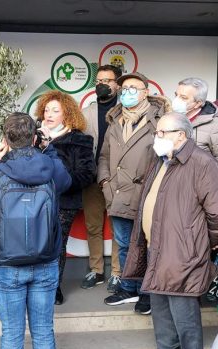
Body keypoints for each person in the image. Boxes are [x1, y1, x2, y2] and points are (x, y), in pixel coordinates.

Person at [0, 112, 71, 349]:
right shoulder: (49, 165)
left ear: (5, 139)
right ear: (36, 137)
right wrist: (49, 149)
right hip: (45, 260)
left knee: (13, 332)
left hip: (7, 263)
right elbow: (66, 183)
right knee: (44, 330)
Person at [132, 112, 218, 349]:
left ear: (181, 135)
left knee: (185, 326)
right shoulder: (160, 160)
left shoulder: (203, 163)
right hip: (156, 251)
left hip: (183, 256)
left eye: (162, 132)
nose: (157, 136)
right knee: (164, 327)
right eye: (157, 132)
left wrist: (200, 244)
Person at [98, 71, 170, 314]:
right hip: (117, 193)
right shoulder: (115, 119)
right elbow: (105, 156)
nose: (127, 91)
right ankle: (128, 288)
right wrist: (105, 181)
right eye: (125, 88)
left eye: (133, 88)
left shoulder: (162, 120)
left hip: (146, 195)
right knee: (124, 244)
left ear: (146, 92)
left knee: (148, 245)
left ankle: (148, 293)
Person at [34, 90, 95, 305]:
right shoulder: (33, 137)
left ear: (67, 115)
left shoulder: (80, 140)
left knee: (56, 245)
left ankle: (53, 287)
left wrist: (63, 181)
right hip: (34, 202)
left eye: (55, 110)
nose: (48, 114)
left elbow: (87, 175)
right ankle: (35, 286)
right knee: (35, 244)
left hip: (64, 201)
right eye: (46, 110)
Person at [81, 65, 122, 292]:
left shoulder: (125, 110)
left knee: (118, 226)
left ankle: (117, 272)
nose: (102, 84)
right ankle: (96, 270)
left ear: (117, 83)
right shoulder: (86, 112)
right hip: (91, 178)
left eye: (107, 80)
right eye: (98, 80)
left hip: (117, 178)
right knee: (93, 225)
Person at [171, 77, 218, 165]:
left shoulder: (217, 125)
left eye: (183, 97)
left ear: (198, 103)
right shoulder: (168, 119)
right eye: (176, 95)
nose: (176, 100)